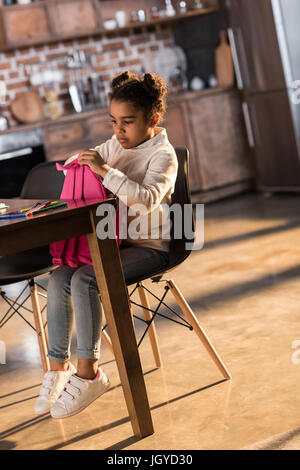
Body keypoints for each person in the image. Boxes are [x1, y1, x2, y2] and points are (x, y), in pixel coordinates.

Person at [34, 70, 178, 419]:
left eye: (127, 122)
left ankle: (90, 372)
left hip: (152, 246)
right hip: (115, 242)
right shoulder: (115, 145)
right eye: (113, 121)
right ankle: (59, 367)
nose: (118, 131)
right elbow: (92, 159)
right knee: (59, 276)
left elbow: (145, 201)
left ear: (152, 119)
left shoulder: (164, 156)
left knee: (86, 278)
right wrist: (79, 163)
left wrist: (105, 172)